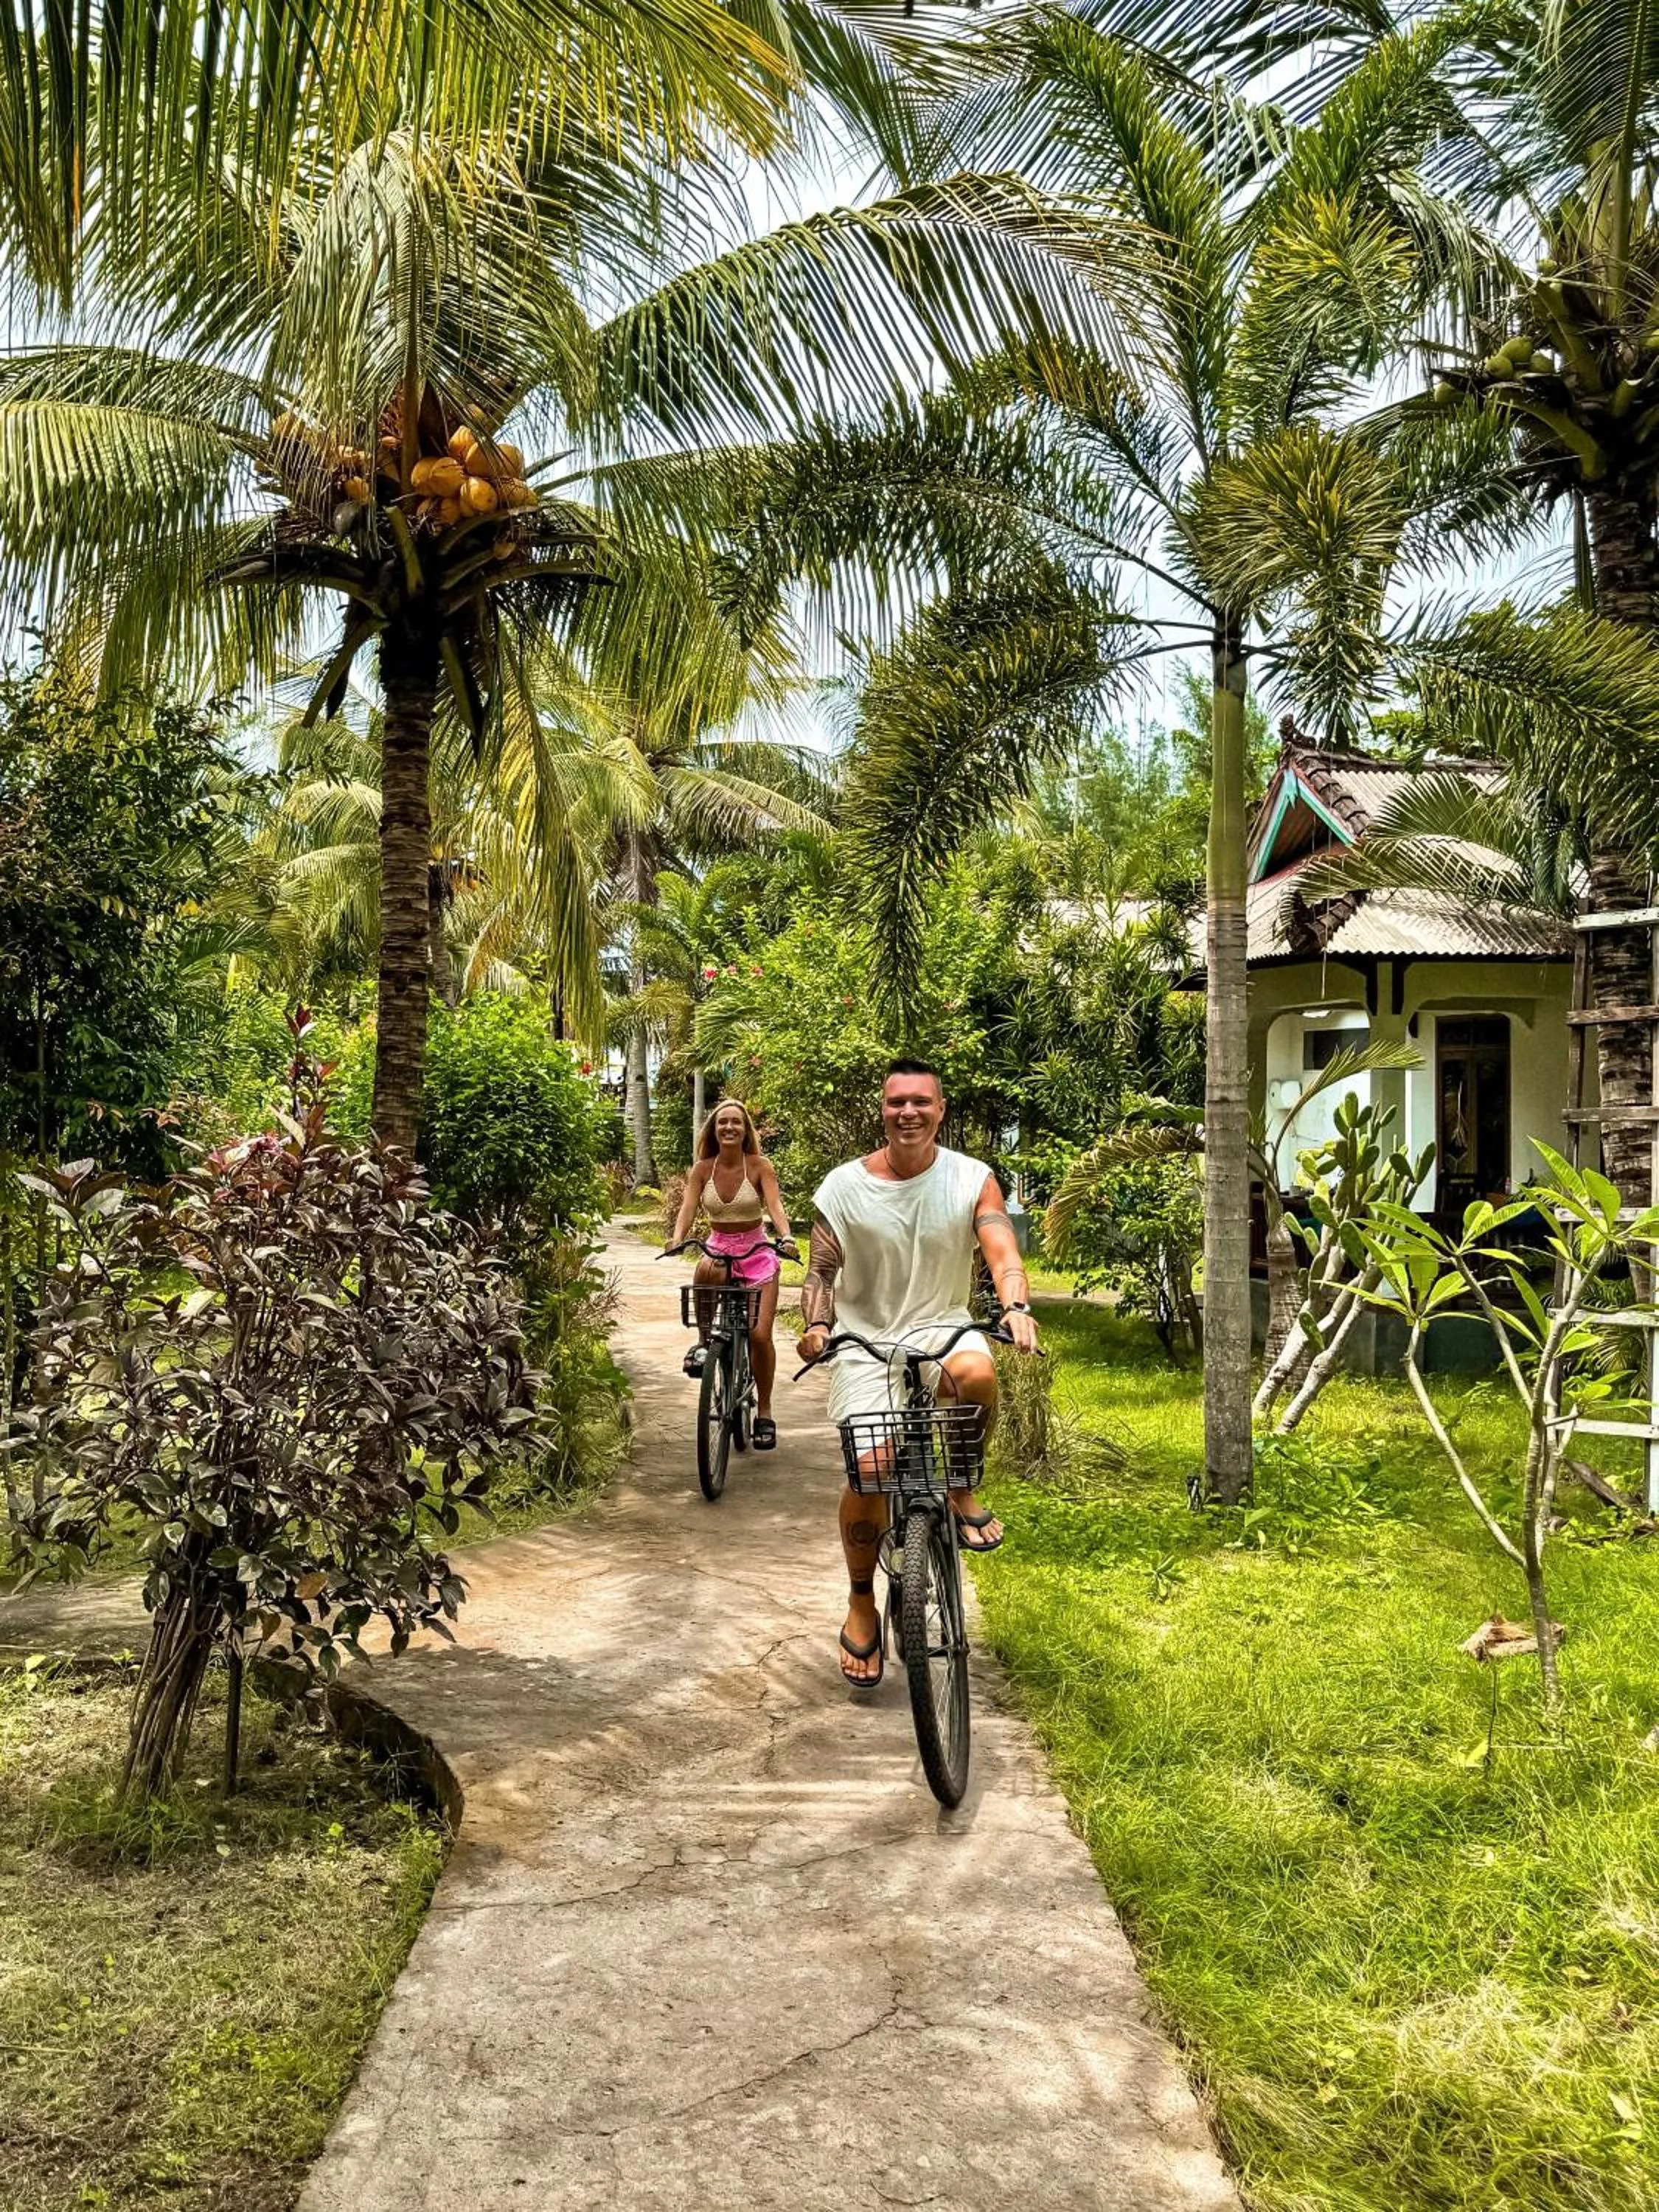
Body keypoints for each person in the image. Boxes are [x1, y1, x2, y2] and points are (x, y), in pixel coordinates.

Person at [796, 1057, 1039, 1686]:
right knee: (871, 1470)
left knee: (976, 1380)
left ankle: (960, 1487)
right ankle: (859, 1601)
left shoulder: (971, 1177)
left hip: (942, 1324)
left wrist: (1015, 1307)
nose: (908, 1112)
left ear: (941, 1110)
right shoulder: (843, 1185)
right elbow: (821, 1270)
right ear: (883, 1110)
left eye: (921, 1103)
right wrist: (818, 1327)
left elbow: (1001, 1245)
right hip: (862, 1339)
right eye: (896, 1102)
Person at [667, 1099, 796, 1449]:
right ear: (713, 1129)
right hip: (718, 1248)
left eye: (736, 1123)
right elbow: (688, 1207)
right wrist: (677, 1240)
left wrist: (785, 1237)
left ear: (745, 1130)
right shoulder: (701, 1169)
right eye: (722, 1122)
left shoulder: (759, 1166)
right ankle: (704, 1344)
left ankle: (765, 1412)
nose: (729, 1128)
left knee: (759, 1335)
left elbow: (775, 1205)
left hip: (756, 1252)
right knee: (706, 1269)